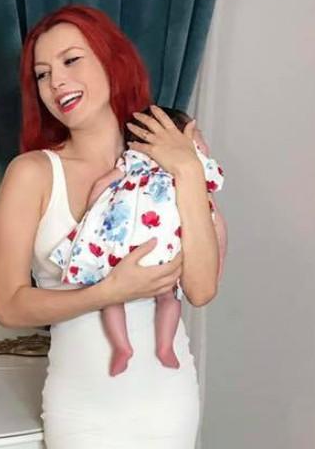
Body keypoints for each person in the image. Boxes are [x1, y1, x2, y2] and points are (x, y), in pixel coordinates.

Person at [0, 5, 227, 448]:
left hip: (168, 404)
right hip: (83, 413)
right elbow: (9, 306)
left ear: (111, 60)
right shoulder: (33, 173)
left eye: (71, 60)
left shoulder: (167, 164)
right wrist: (108, 292)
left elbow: (201, 289)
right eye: (42, 74)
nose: (56, 82)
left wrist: (188, 171)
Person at [49, 106, 224, 377]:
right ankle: (162, 346)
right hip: (164, 248)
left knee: (113, 299)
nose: (202, 143)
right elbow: (211, 192)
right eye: (197, 135)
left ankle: (123, 346)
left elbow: (102, 186)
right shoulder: (191, 166)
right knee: (166, 298)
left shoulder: (136, 161)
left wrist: (94, 212)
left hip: (126, 247)